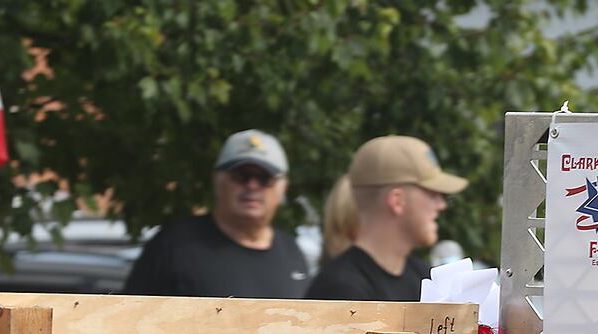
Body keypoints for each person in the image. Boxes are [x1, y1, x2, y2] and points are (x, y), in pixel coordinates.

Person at [122, 129, 311, 298]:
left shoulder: (291, 251)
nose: (252, 186)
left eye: (264, 179)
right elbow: (128, 320)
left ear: (282, 188)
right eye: (242, 176)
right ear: (218, 181)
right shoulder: (175, 245)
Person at [307, 135, 468, 302]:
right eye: (432, 193)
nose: (441, 205)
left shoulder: (424, 278)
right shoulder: (339, 289)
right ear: (397, 200)